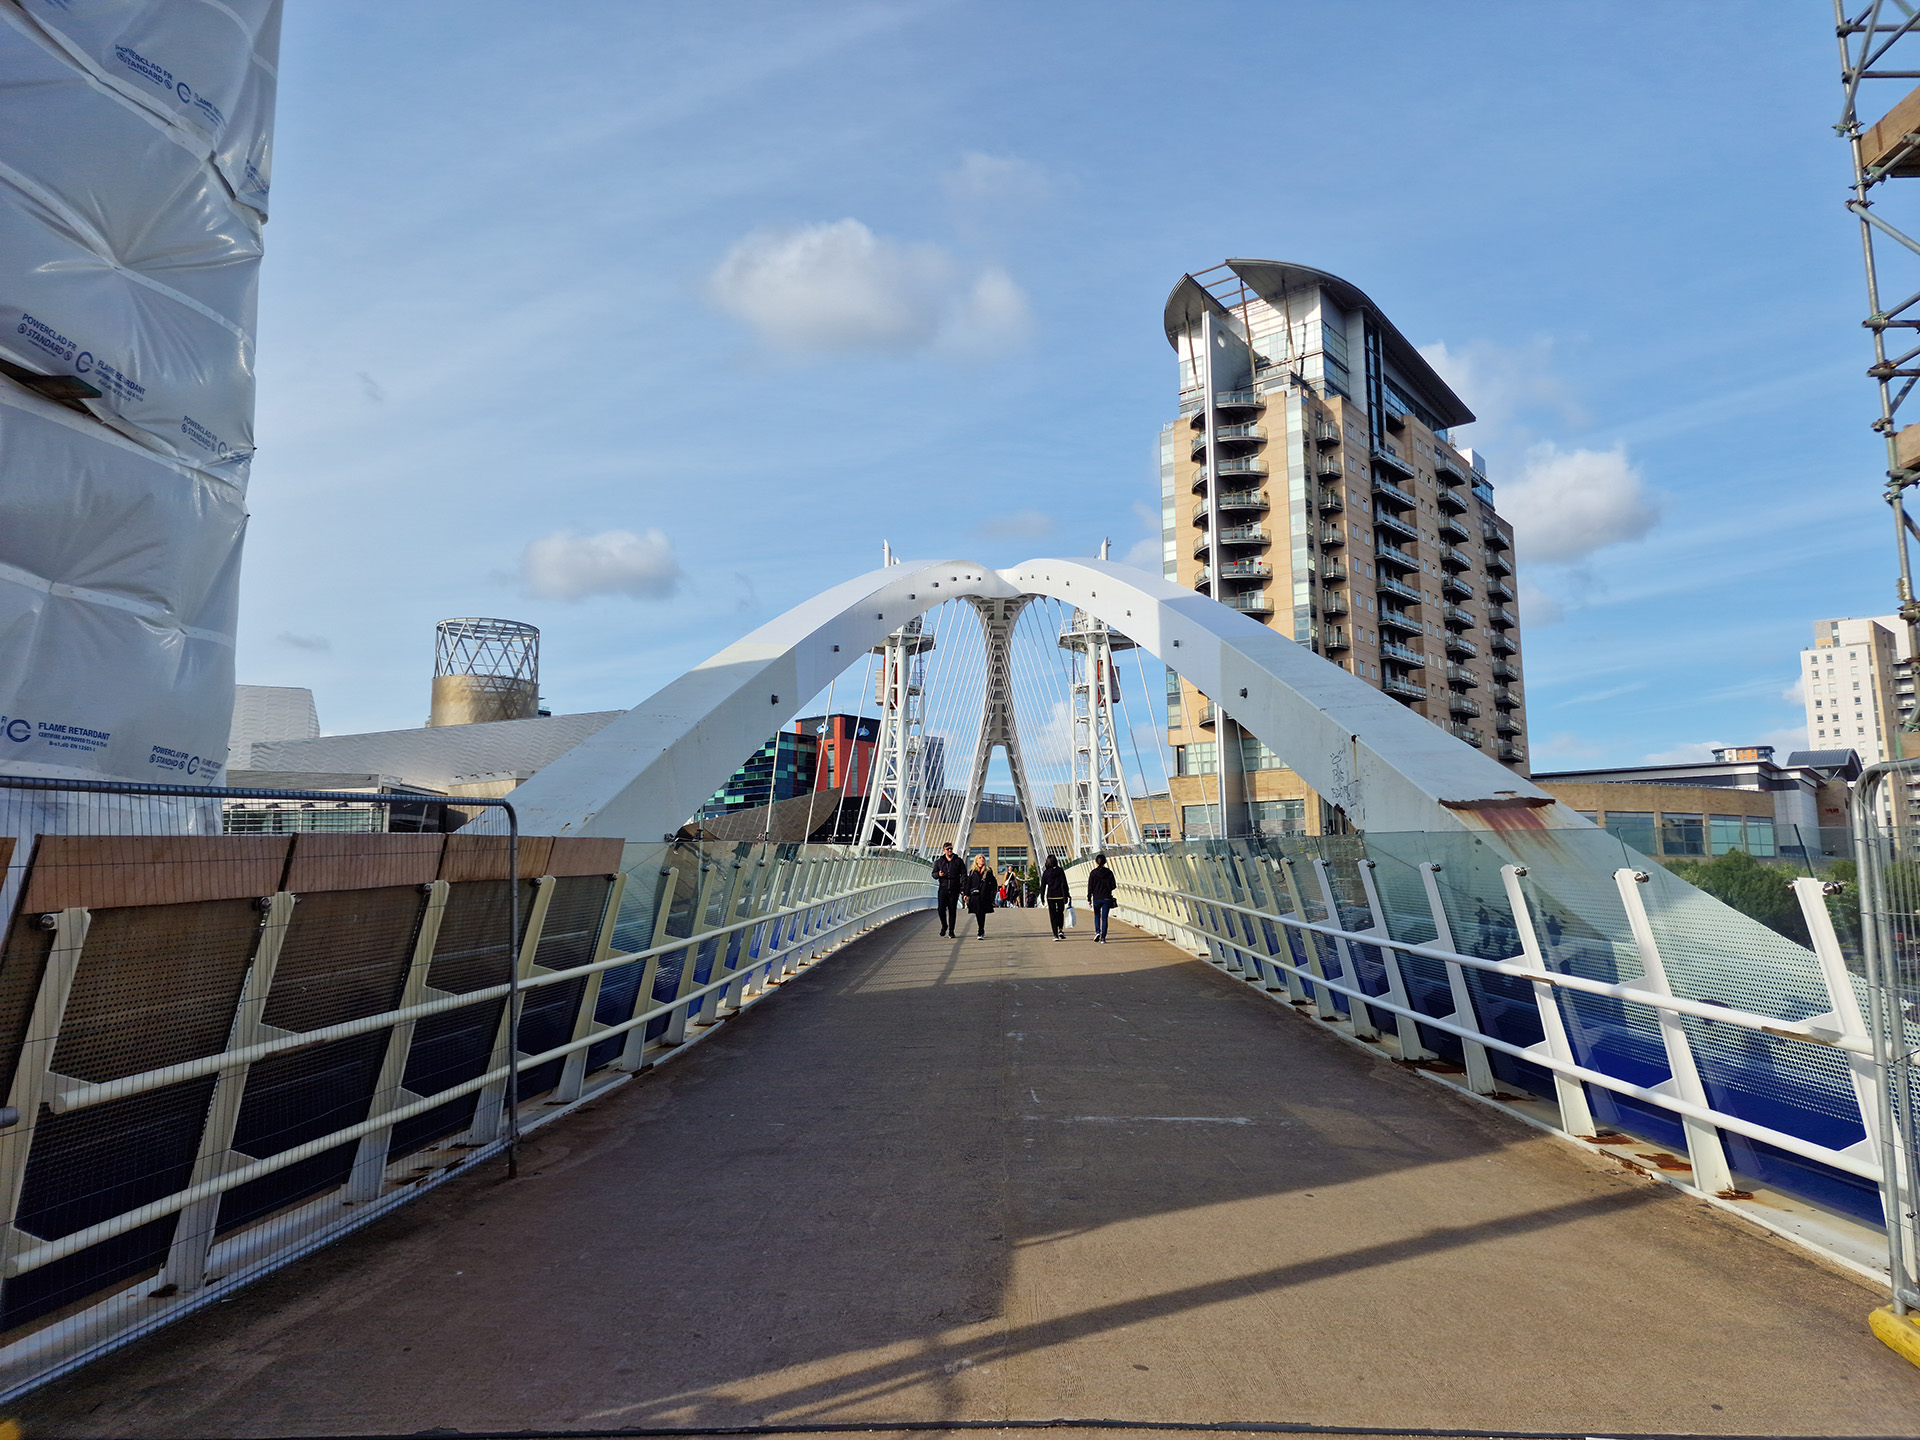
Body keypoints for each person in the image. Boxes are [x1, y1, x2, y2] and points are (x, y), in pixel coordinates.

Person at [931, 842, 966, 937]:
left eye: (951, 848)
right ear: (944, 850)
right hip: (943, 888)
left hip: (954, 889)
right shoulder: (939, 862)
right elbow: (933, 874)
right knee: (941, 909)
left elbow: (963, 874)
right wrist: (939, 874)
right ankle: (944, 926)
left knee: (952, 910)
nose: (950, 850)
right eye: (947, 849)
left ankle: (951, 931)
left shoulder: (958, 861)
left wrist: (963, 887)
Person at [964, 853, 998, 939]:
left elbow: (993, 881)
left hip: (984, 895)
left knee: (982, 913)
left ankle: (980, 931)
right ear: (976, 860)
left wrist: (993, 891)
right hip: (975, 896)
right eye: (980, 858)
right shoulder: (972, 872)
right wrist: (966, 894)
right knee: (977, 913)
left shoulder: (988, 871)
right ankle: (981, 929)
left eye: (983, 858)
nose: (982, 859)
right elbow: (969, 884)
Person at [1087, 852, 1117, 943]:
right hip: (1106, 898)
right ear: (1105, 862)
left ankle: (1097, 932)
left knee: (1096, 916)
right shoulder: (1109, 872)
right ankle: (1103, 938)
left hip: (1096, 898)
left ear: (1096, 862)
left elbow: (1090, 887)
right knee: (1104, 918)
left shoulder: (1093, 873)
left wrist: (1089, 899)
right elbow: (1113, 885)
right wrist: (1107, 889)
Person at [1040, 854, 1069, 940]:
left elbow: (1043, 886)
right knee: (1060, 913)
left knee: (1052, 915)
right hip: (1060, 895)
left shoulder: (1046, 872)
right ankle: (1060, 929)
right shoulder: (1060, 871)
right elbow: (1064, 883)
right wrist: (1067, 894)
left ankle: (1055, 935)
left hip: (1051, 896)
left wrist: (1042, 897)